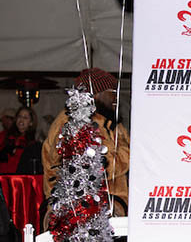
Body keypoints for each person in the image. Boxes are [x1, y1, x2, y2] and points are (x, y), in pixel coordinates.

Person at [42, 69, 130, 217]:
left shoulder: (111, 123)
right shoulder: (73, 122)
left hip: (111, 206)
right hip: (80, 211)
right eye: (112, 92)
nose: (116, 97)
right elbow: (93, 168)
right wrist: (128, 154)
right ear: (95, 94)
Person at [0, 106, 38, 174]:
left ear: (31, 123)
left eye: (25, 118)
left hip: (18, 179)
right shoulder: (6, 136)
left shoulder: (32, 143)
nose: (21, 120)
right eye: (19, 116)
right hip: (2, 177)